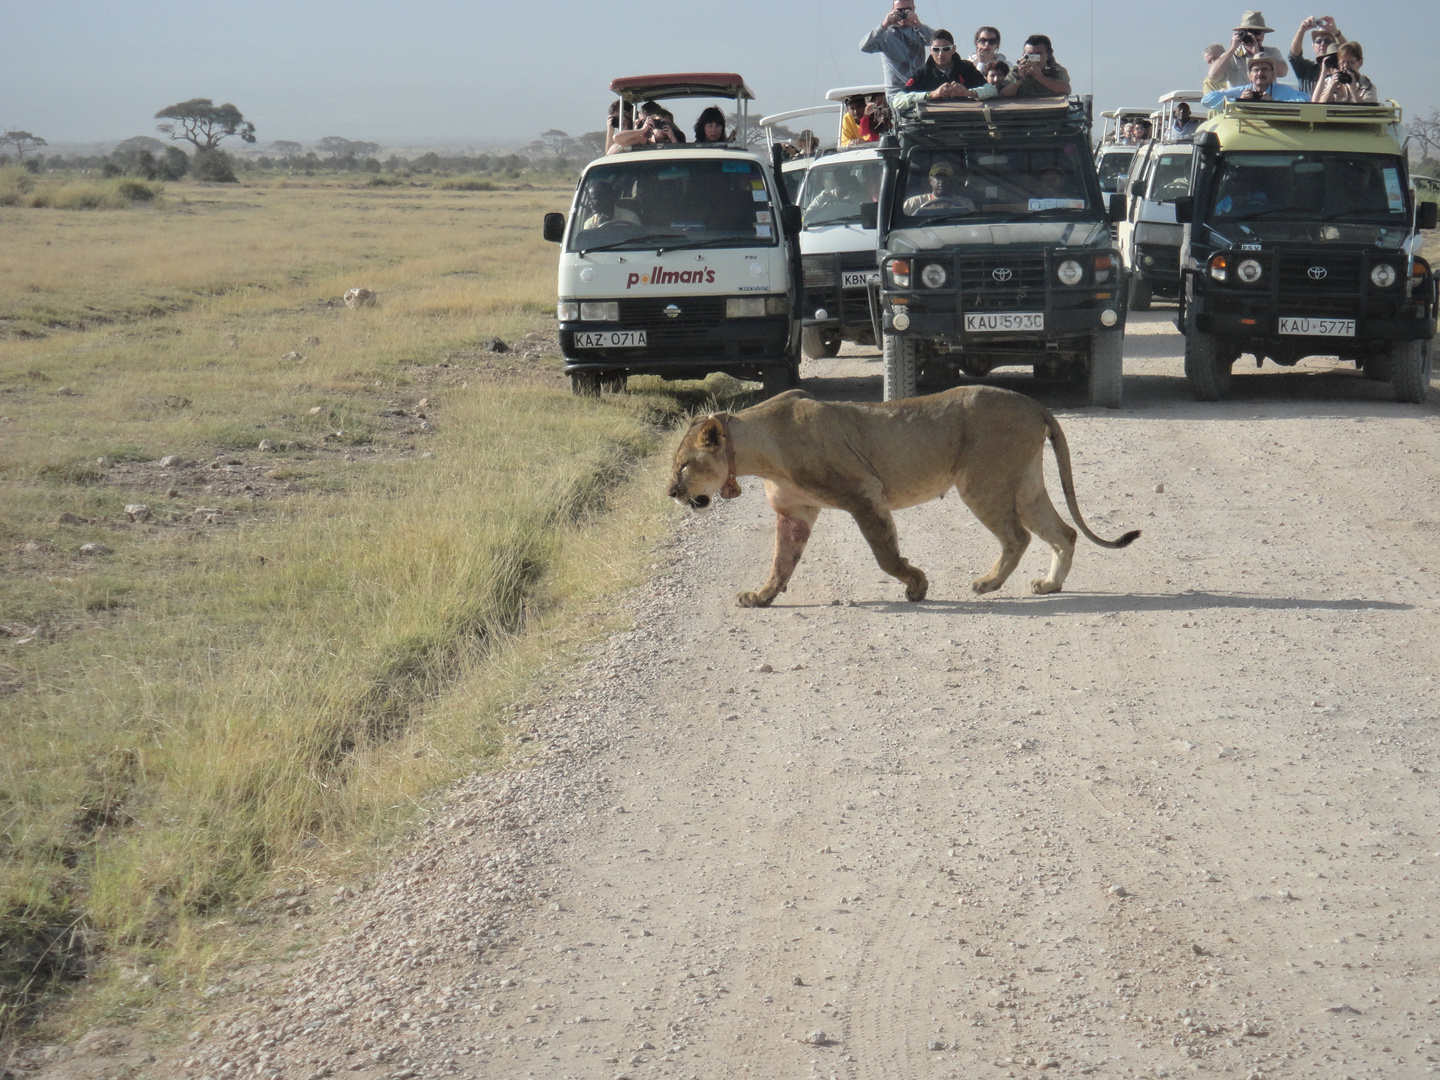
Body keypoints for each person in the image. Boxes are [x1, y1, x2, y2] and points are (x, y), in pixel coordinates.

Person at [860, 1, 935, 96]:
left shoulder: (919, 32)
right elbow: (864, 46)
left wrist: (919, 26)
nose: (903, 14)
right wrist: (883, 26)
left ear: (914, 9)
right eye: (899, 10)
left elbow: (939, 42)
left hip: (918, 89)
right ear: (892, 11)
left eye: (908, 10)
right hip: (896, 93)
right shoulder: (885, 35)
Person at [899, 29, 996, 101]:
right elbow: (898, 99)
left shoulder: (966, 68)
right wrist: (931, 94)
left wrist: (967, 93)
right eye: (936, 49)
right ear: (930, 50)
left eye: (945, 49)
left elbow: (992, 90)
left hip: (965, 122)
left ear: (953, 49)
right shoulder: (922, 74)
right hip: (933, 124)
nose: (940, 54)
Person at [1207, 12, 1288, 89]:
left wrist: (1257, 53)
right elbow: (1213, 75)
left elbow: (1283, 72)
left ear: (1263, 35)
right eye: (1248, 32)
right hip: (1240, 101)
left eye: (1257, 32)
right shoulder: (1232, 57)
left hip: (1266, 101)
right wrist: (1232, 48)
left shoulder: (1271, 53)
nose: (1252, 36)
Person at [1200, 54, 1308, 108]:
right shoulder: (1242, 91)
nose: (1260, 73)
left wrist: (1274, 104)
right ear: (1250, 76)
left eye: (1264, 69)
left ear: (1272, 74)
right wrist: (1238, 101)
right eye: (1256, 70)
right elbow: (1207, 100)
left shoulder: (1283, 91)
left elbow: (1306, 100)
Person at [1287, 15, 1346, 95]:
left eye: (1327, 41)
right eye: (1318, 41)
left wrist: (1336, 32)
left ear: (1335, 45)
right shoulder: (1306, 69)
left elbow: (1349, 54)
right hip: (1309, 107)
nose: (1323, 44)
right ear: (1313, 46)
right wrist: (1302, 30)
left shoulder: (1341, 67)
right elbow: (1294, 55)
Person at [1313, 41, 1377, 104]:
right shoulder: (1329, 82)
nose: (1345, 66)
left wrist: (1353, 90)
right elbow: (1318, 107)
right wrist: (1331, 87)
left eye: (1351, 62)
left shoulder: (1367, 86)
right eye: (1342, 63)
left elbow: (1367, 111)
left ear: (1360, 62)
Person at [1006, 34, 1071, 98]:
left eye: (1038, 54)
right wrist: (1018, 79)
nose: (1034, 58)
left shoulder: (1057, 71)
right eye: (1030, 54)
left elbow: (1066, 90)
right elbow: (1003, 94)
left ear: (1047, 54)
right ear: (1023, 55)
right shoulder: (1015, 72)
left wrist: (1040, 77)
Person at [902, 159, 975, 215]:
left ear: (952, 180)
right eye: (938, 177)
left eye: (945, 177)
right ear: (930, 180)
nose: (941, 181)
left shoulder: (965, 204)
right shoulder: (913, 203)